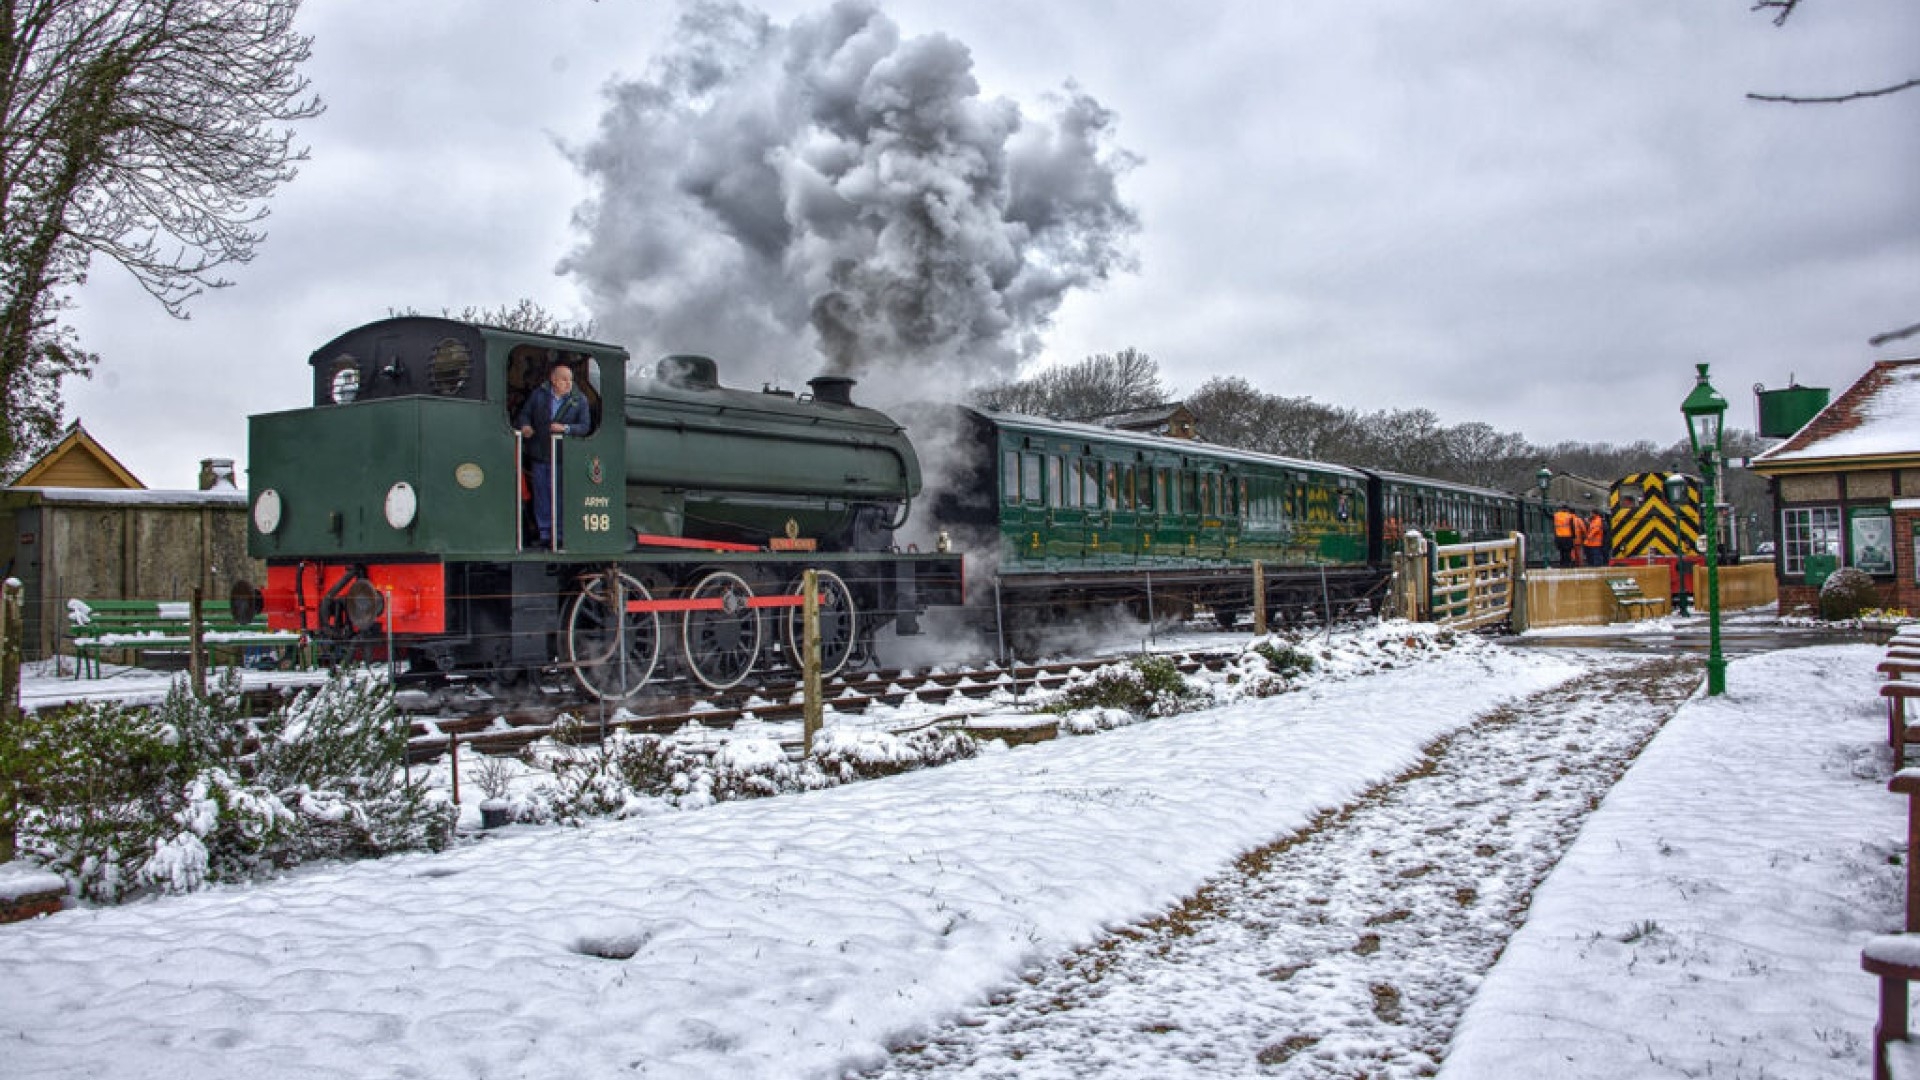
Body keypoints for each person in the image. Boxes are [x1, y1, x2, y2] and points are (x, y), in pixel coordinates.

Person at [516, 363, 591, 545]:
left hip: (564, 457)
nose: (568, 383)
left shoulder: (580, 400)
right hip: (540, 454)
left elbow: (585, 427)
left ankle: (560, 534)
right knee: (542, 495)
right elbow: (524, 414)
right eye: (564, 379)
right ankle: (545, 534)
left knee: (560, 496)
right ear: (553, 379)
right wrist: (525, 426)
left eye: (570, 379)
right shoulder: (538, 396)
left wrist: (565, 428)